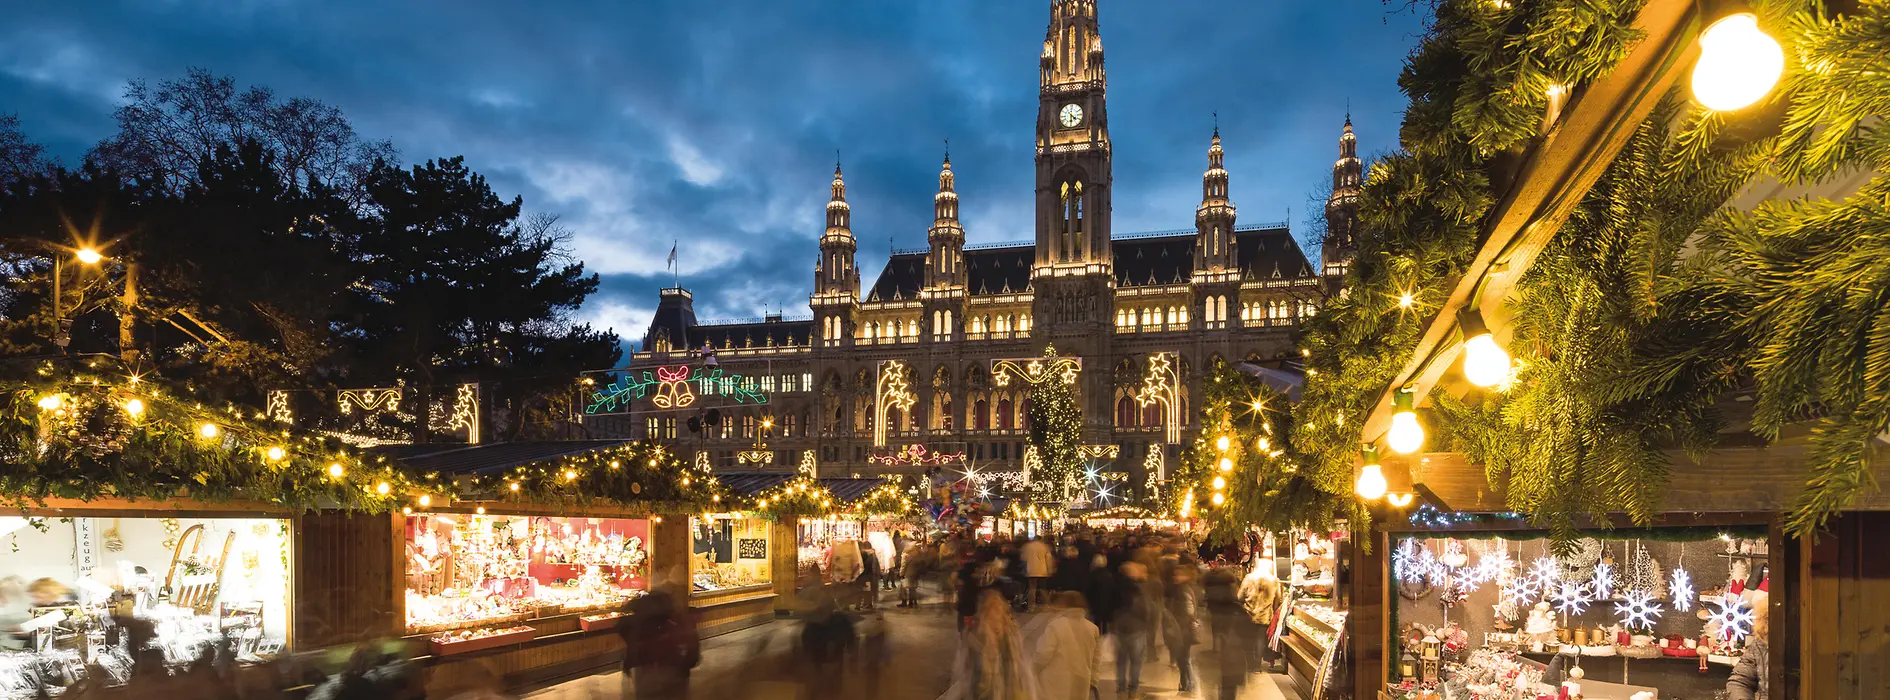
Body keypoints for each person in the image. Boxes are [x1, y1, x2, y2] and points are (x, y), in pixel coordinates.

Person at [939, 590, 1038, 700]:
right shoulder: (976, 637)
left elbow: (1022, 669)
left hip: (1009, 692)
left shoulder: (1012, 636)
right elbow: (969, 673)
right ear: (985, 613)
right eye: (995, 610)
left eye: (1001, 610)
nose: (999, 615)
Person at [618, 586, 700, 700]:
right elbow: (692, 646)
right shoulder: (675, 624)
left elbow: (623, 630)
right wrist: (685, 665)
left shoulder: (641, 625)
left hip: (646, 671)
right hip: (670, 671)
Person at [1031, 591, 1098, 700]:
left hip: (1056, 683)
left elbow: (1043, 655)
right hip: (1081, 683)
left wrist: (1033, 670)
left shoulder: (1055, 626)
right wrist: (1094, 680)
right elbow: (1096, 658)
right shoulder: (1093, 629)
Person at [1202, 565, 1255, 700]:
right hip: (1230, 661)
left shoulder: (1209, 609)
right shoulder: (1234, 611)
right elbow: (1247, 636)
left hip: (1211, 665)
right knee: (1228, 691)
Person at [1113, 561, 1161, 698]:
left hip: (1121, 627)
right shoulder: (1139, 589)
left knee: (1121, 661)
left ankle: (1121, 689)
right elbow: (1145, 609)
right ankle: (1133, 691)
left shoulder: (1118, 587)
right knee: (1135, 661)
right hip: (1137, 628)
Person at [1164, 562, 1201, 695]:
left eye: (1178, 574)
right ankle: (1185, 682)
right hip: (1182, 628)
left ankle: (1189, 683)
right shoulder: (1180, 588)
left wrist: (1181, 622)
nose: (1175, 576)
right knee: (1182, 658)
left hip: (1183, 629)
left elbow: (1189, 610)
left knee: (1184, 658)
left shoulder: (1183, 590)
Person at [1084, 554, 1118, 636]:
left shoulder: (1092, 575)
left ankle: (1097, 635)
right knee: (1105, 621)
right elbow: (1113, 589)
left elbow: (1088, 590)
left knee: (1097, 621)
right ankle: (1104, 635)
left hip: (1095, 602)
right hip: (1107, 601)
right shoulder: (1109, 575)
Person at [1021, 536, 1054, 611]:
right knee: (1043, 589)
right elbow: (1049, 559)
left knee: (1032, 589)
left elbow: (1023, 558)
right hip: (1042, 570)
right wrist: (1050, 570)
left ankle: (1031, 606)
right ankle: (1046, 605)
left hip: (1031, 570)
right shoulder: (1044, 546)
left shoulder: (1028, 546)